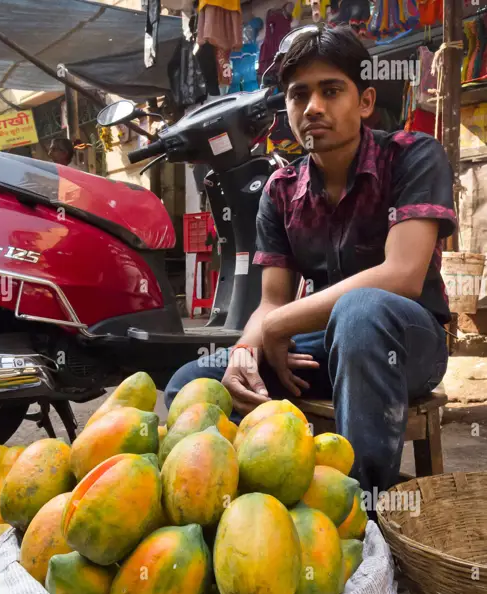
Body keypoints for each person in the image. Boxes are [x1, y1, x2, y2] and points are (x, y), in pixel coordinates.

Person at [165, 24, 455, 499]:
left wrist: (278, 326)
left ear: (364, 102)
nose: (313, 107)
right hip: (325, 346)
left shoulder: (412, 156)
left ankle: (361, 509)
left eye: (331, 90)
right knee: (194, 383)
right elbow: (271, 303)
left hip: (405, 346)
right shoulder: (280, 192)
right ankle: (250, 505)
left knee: (361, 312)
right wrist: (244, 352)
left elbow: (401, 275)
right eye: (299, 95)